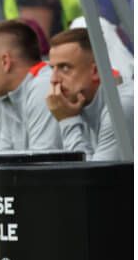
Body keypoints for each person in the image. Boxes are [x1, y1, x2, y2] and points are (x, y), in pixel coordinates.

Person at [46, 27, 133, 161]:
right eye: (52, 68)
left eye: (65, 68)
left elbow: (92, 173)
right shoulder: (76, 102)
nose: (53, 79)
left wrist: (67, 121)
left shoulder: (121, 106)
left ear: (96, 71)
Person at [0, 20, 62, 150]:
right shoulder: (9, 95)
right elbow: (3, 157)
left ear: (5, 62)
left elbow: (42, 159)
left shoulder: (43, 87)